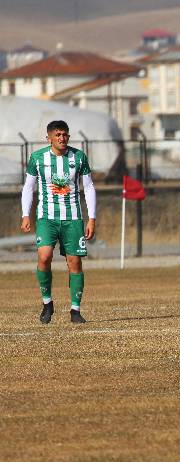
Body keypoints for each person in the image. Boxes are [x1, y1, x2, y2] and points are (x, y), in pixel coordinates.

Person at [20, 120, 96, 324]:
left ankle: (75, 310)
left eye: (65, 135)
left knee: (75, 262)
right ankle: (47, 304)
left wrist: (92, 218)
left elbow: (88, 187)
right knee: (44, 257)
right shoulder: (37, 158)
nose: (62, 138)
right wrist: (25, 214)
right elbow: (28, 187)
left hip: (73, 218)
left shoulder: (79, 157)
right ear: (49, 137)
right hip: (47, 217)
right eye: (58, 135)